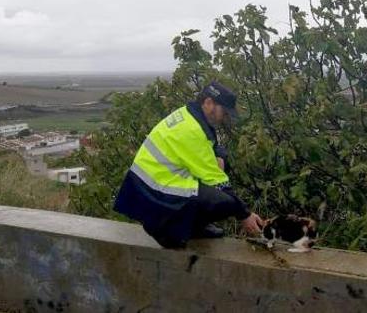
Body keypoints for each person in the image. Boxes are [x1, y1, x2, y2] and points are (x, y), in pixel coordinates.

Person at [113, 80, 264, 248]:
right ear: (208, 103)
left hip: (152, 182)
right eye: (224, 112)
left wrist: (220, 158)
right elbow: (219, 183)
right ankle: (166, 232)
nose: (225, 118)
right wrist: (245, 215)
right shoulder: (192, 131)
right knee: (225, 202)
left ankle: (194, 227)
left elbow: (211, 149)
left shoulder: (190, 115)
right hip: (154, 192)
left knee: (221, 164)